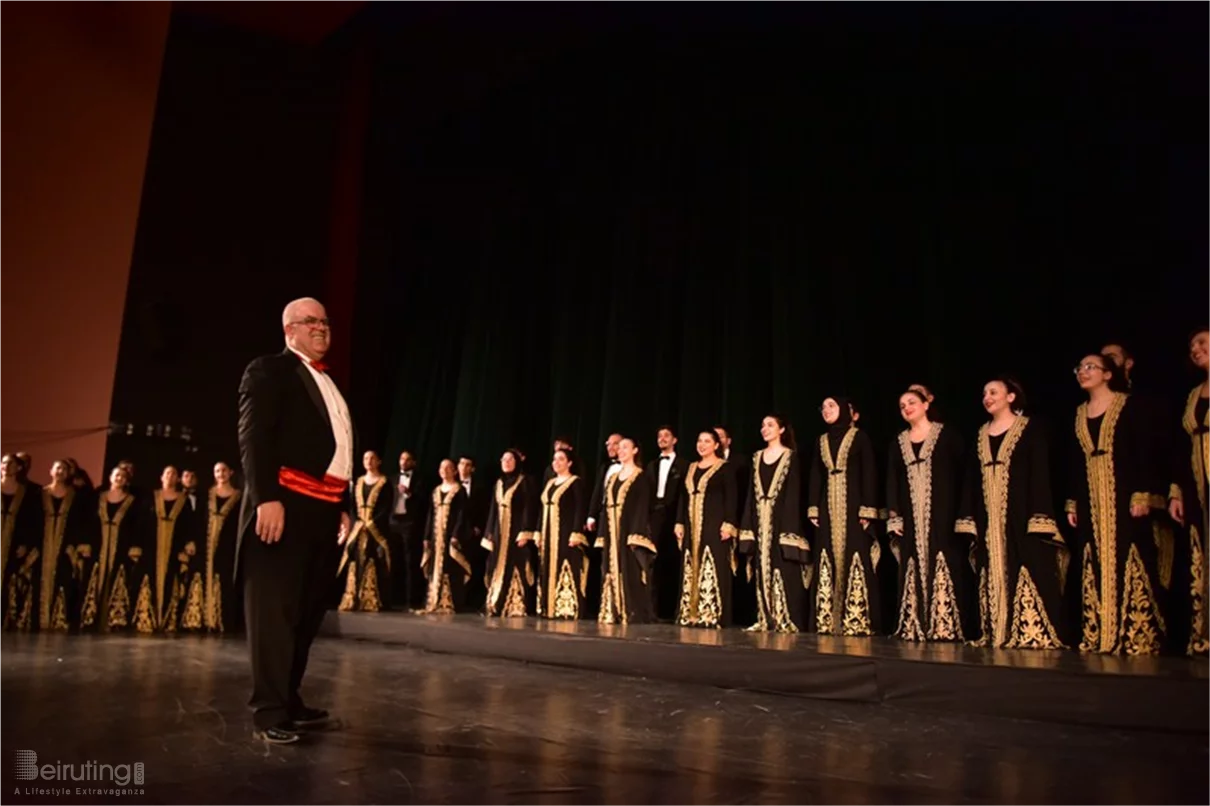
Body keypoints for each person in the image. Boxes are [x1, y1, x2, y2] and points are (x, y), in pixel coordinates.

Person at [237, 297, 354, 745]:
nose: (322, 328)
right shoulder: (269, 370)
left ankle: (288, 698)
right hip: (285, 507)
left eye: (326, 321)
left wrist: (343, 504)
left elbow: (336, 450)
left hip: (323, 511)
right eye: (311, 322)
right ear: (289, 330)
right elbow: (255, 439)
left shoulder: (331, 382)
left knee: (306, 612)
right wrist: (266, 498)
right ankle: (268, 711)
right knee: (275, 613)